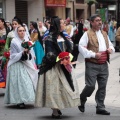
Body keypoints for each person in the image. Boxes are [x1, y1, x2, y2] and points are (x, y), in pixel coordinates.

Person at [35, 17, 80, 119]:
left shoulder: (65, 36)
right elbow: (49, 53)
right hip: (53, 66)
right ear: (57, 25)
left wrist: (68, 57)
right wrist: (59, 59)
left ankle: (59, 106)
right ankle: (55, 110)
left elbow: (71, 49)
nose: (64, 25)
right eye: (62, 23)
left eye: (64, 23)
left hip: (65, 64)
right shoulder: (49, 38)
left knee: (64, 88)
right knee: (54, 89)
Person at [78, 14, 115, 115]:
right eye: (97, 20)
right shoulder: (87, 34)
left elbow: (111, 45)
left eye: (100, 20)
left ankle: (100, 107)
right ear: (92, 22)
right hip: (92, 64)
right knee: (90, 86)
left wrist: (110, 49)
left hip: (104, 64)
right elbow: (81, 47)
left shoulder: (104, 33)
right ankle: (82, 98)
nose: (100, 22)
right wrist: (93, 54)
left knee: (102, 87)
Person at [4, 26, 38, 108]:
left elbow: (31, 54)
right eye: (20, 31)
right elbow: (13, 55)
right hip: (17, 63)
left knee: (27, 81)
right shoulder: (14, 42)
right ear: (17, 32)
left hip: (26, 62)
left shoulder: (27, 40)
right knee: (19, 82)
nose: (22, 32)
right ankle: (19, 101)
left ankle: (27, 98)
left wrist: (28, 53)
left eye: (23, 30)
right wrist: (23, 53)